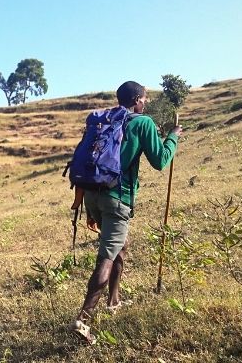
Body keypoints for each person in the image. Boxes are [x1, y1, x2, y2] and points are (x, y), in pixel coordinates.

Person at [70, 81, 182, 344]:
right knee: (106, 257)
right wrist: (173, 136)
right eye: (145, 99)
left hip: (92, 195)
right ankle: (83, 320)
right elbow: (160, 161)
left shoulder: (105, 120)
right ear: (137, 100)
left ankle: (114, 300)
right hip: (117, 198)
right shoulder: (142, 123)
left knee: (122, 245)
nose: (146, 103)